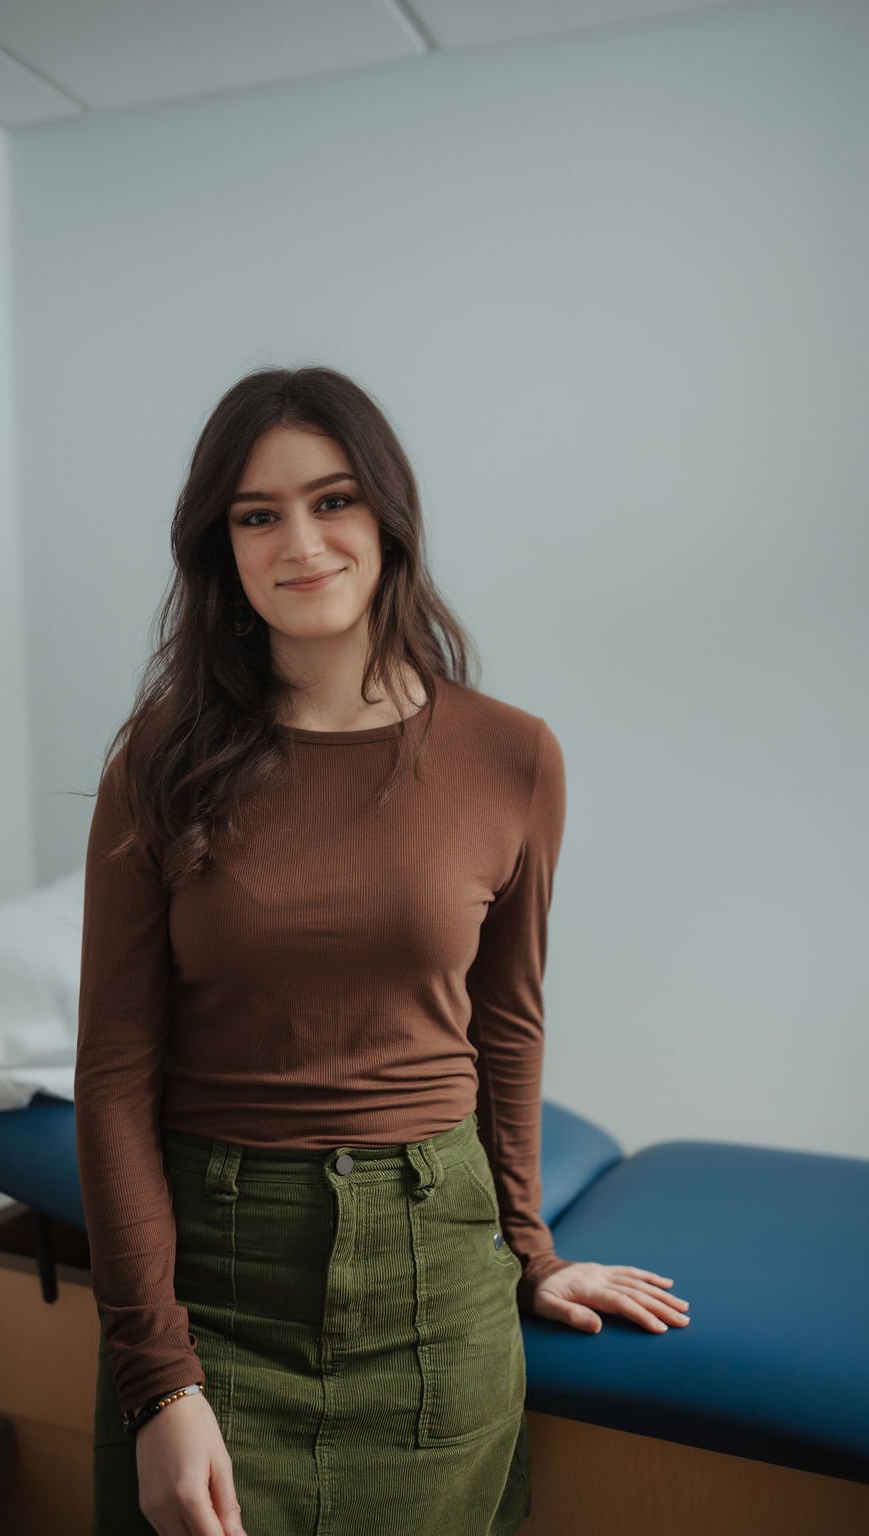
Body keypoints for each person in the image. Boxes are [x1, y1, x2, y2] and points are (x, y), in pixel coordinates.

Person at [74, 366, 689, 1536]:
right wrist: (158, 1378)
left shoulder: (512, 756)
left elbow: (506, 1026)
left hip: (436, 1277)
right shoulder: (156, 763)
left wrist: (531, 1251)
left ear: (388, 516)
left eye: (332, 499)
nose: (300, 543)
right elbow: (111, 1077)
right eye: (258, 515)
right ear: (222, 549)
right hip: (217, 1274)